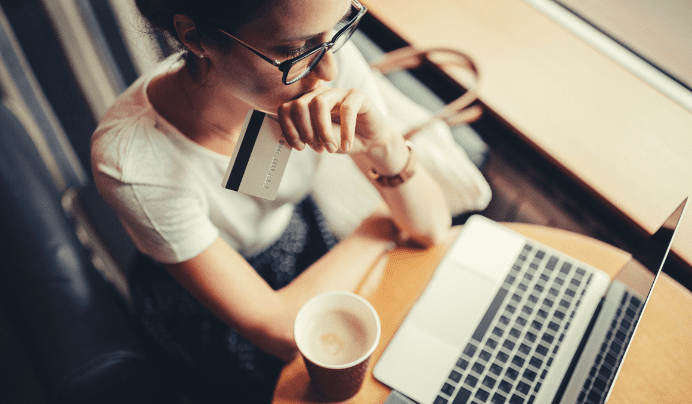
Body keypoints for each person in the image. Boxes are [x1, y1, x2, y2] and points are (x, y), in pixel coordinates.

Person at [91, 0, 453, 402]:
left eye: (335, 31)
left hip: (298, 238)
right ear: (195, 37)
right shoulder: (132, 162)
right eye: (292, 50)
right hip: (208, 304)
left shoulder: (324, 61)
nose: (329, 70)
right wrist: (377, 226)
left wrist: (385, 144)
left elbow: (432, 226)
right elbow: (281, 332)